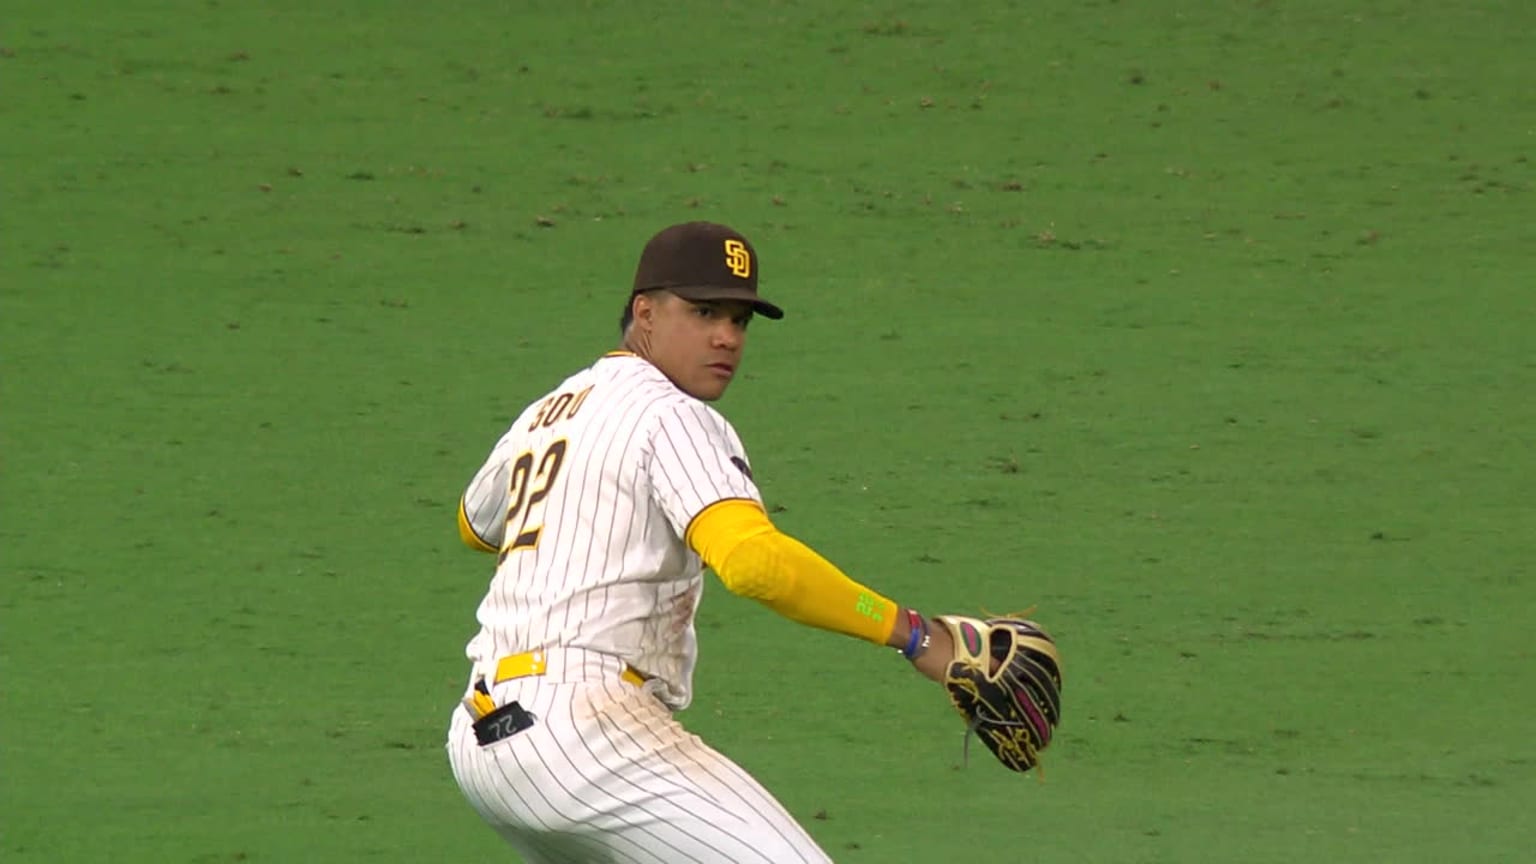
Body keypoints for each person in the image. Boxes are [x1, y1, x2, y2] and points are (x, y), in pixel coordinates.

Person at [445, 221, 961, 864]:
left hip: (482, 736)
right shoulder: (674, 415)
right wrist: (911, 633)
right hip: (583, 732)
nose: (727, 336)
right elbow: (753, 565)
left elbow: (475, 523)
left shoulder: (551, 409)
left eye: (740, 320)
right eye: (704, 311)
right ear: (645, 313)